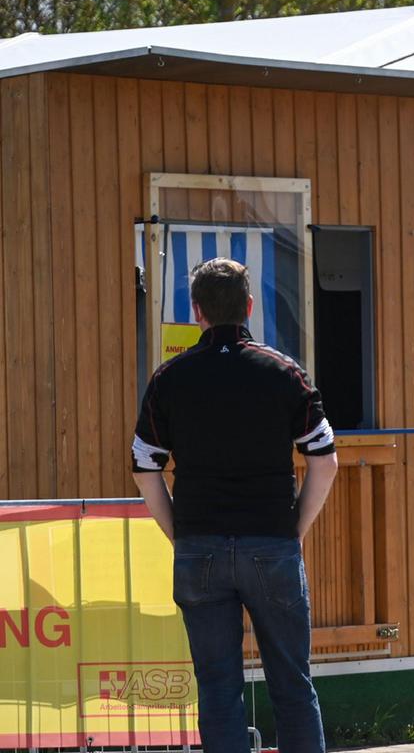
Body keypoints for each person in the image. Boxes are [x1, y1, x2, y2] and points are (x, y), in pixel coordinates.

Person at [131, 258, 339, 753]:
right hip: (271, 541)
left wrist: (180, 532)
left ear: (197, 311)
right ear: (248, 307)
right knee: (292, 685)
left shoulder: (169, 379)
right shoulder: (285, 374)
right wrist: (295, 530)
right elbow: (325, 462)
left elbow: (145, 467)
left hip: (199, 546)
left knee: (218, 690)